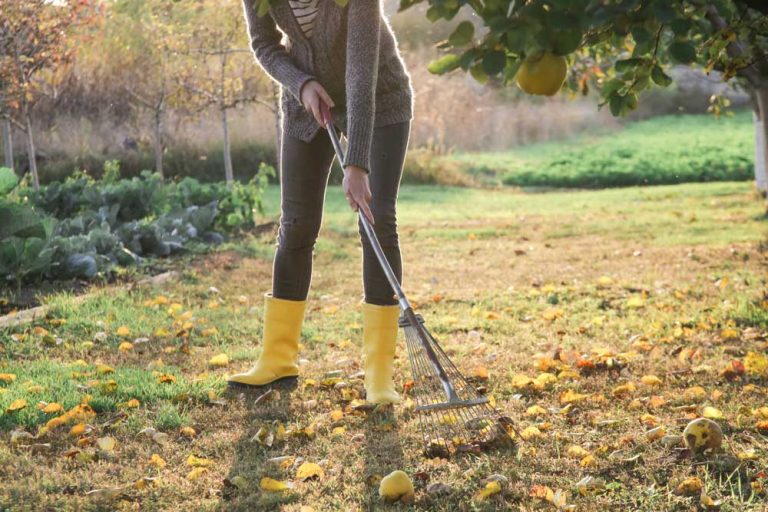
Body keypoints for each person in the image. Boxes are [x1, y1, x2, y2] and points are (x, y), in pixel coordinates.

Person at [227, 0, 413, 405]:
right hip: (308, 102)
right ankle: (278, 358)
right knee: (295, 224)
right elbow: (265, 45)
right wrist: (301, 83)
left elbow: (361, 72)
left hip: (378, 101)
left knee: (376, 219)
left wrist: (357, 163)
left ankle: (379, 375)